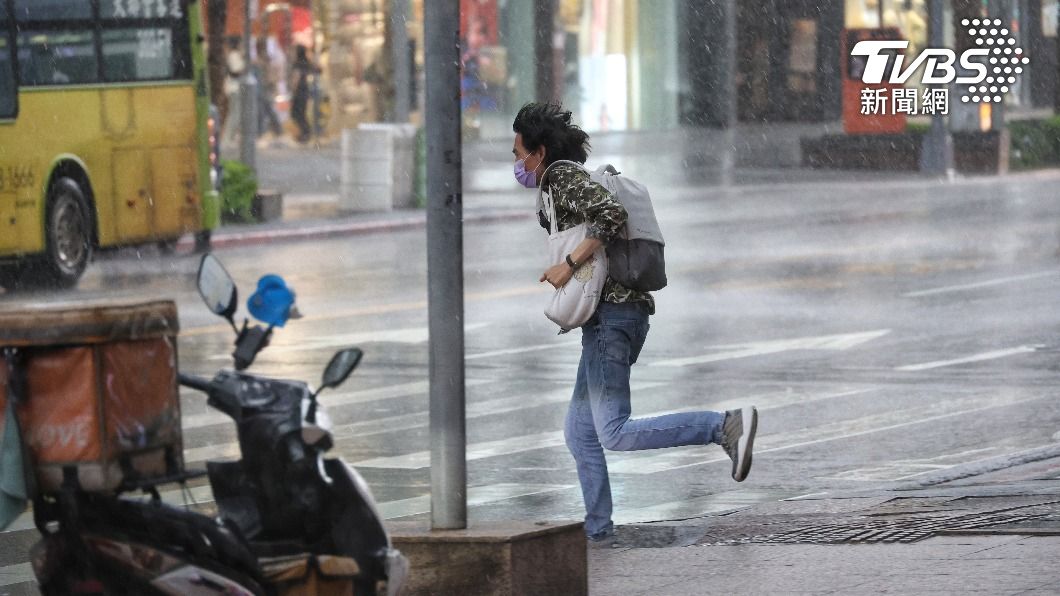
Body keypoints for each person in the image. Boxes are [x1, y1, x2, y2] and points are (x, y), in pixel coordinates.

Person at [511, 102, 759, 546]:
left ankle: (723, 426)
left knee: (614, 432)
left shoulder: (562, 176)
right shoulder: (562, 179)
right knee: (579, 432)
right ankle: (598, 531)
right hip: (610, 317)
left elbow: (611, 215)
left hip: (613, 317)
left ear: (539, 151)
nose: (517, 164)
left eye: (519, 153)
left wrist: (568, 264)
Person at [222, 36, 245, 148]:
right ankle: (228, 138)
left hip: (233, 88)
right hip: (234, 88)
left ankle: (230, 137)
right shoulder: (234, 55)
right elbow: (236, 71)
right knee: (234, 114)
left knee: (235, 114)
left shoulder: (233, 55)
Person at [289, 45, 315, 143]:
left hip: (298, 91)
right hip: (305, 91)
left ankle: (305, 133)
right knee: (302, 113)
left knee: (296, 114)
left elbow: (296, 78)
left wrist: (292, 90)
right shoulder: (307, 63)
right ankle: (305, 133)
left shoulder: (297, 64)